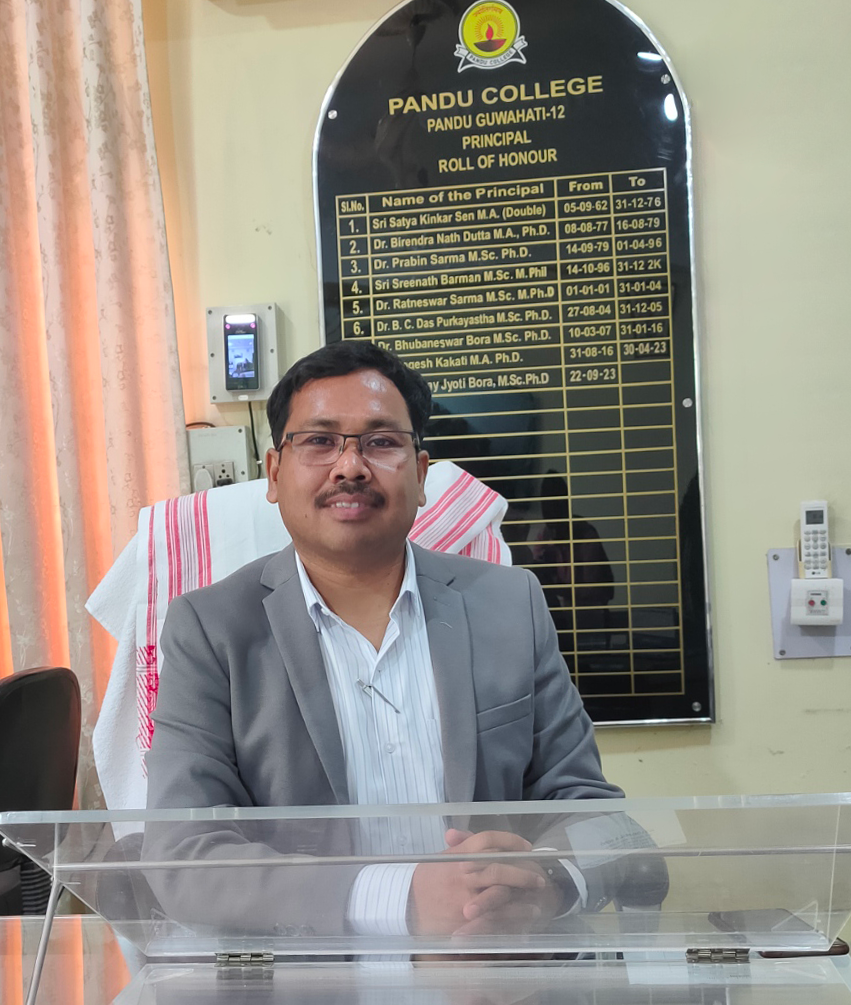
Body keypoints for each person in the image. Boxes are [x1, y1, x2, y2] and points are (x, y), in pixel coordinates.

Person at [144, 341, 663, 938]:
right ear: (275, 473)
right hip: (311, 981)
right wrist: (404, 898)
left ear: (420, 475)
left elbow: (591, 810)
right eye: (319, 441)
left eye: (381, 442)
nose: (350, 467)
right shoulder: (210, 629)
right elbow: (184, 855)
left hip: (496, 968)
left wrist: (550, 882)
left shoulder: (509, 603)